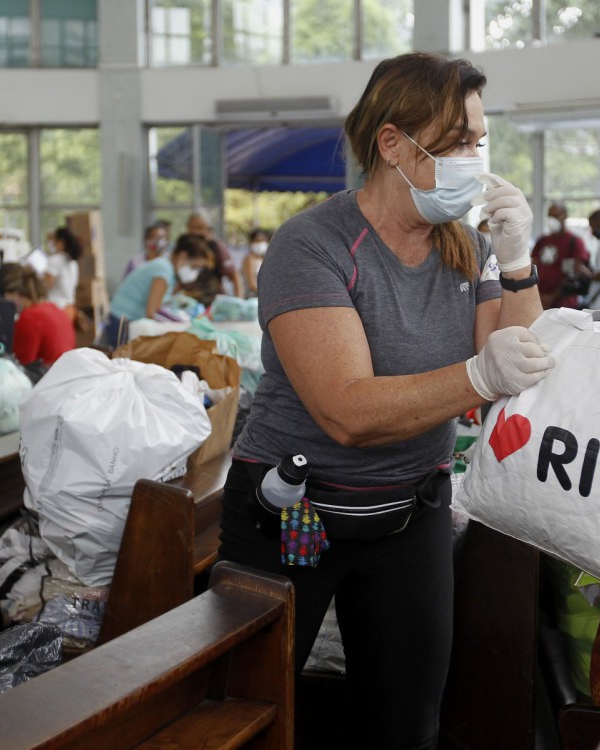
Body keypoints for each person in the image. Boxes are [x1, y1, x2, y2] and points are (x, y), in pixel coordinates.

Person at [218, 52, 552, 749]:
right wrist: (477, 378)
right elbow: (349, 411)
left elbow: (514, 360)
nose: (471, 157)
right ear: (392, 143)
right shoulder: (313, 245)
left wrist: (519, 263)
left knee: (405, 724)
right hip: (293, 508)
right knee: (250, 710)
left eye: (478, 141)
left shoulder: (465, 246)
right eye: (454, 141)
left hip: (408, 513)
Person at [102, 233, 214, 348]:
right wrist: (182, 324)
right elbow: (152, 312)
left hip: (122, 321)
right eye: (194, 267)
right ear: (183, 256)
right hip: (120, 324)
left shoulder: (167, 270)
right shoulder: (163, 270)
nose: (195, 272)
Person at [0, 262, 75, 367]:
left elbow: (21, 366)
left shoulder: (29, 318)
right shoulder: (55, 309)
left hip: (46, 380)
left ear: (14, 292)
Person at [531, 202, 591, 309]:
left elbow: (572, 273)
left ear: (565, 216)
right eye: (549, 216)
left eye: (555, 216)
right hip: (538, 301)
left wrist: (552, 297)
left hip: (564, 303)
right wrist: (537, 295)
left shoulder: (574, 242)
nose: (552, 219)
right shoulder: (542, 241)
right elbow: (532, 268)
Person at [187, 209, 244, 298]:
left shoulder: (215, 246)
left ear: (208, 229)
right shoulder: (184, 246)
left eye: (200, 228)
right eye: (192, 227)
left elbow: (234, 274)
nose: (195, 232)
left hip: (213, 301)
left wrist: (239, 300)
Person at [43, 226, 82, 314]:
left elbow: (44, 287)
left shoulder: (55, 260)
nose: (52, 244)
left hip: (56, 309)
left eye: (54, 241)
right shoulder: (73, 262)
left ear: (61, 242)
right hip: (70, 309)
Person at [242, 227, 270, 297]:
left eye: (263, 240)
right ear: (251, 242)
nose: (260, 243)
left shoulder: (265, 259)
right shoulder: (249, 259)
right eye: (257, 241)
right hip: (252, 298)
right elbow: (251, 284)